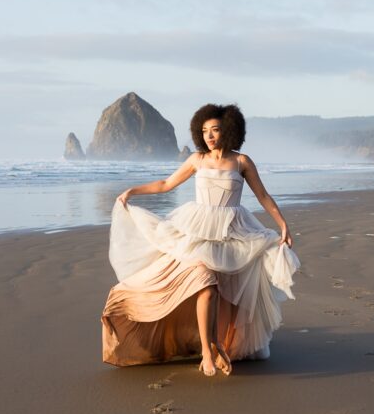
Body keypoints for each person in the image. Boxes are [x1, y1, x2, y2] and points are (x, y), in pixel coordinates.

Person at [101, 103, 300, 376]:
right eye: (204, 130)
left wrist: (283, 225)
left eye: (215, 130)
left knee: (227, 293)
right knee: (206, 286)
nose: (209, 136)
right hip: (197, 231)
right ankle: (207, 351)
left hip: (232, 232)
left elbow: (263, 196)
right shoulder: (197, 159)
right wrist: (132, 191)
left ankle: (221, 343)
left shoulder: (242, 162)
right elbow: (165, 185)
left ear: (229, 130)